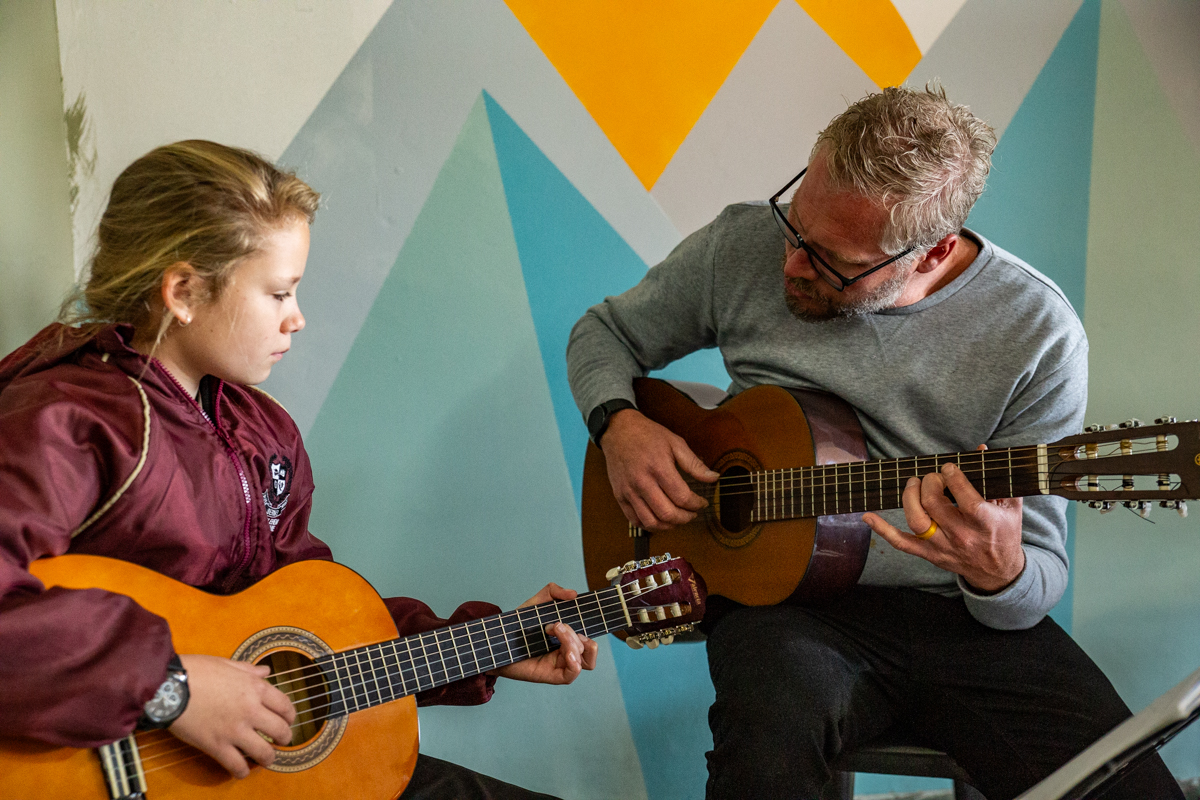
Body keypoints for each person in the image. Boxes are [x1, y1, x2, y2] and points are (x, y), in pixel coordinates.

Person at [566, 86, 1184, 799]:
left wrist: (1000, 571)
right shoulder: (742, 244)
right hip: (784, 611)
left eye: (831, 260)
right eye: (794, 227)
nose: (791, 265)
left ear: (932, 252)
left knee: (1125, 787)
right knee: (765, 756)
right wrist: (619, 424)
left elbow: (1034, 586)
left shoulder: (1037, 331)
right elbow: (603, 334)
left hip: (961, 621)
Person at [0, 140, 598, 800]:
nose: (298, 317)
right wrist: (171, 689)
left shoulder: (264, 429)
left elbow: (313, 624)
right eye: (279, 292)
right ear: (184, 292)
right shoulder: (64, 422)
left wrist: (489, 644)